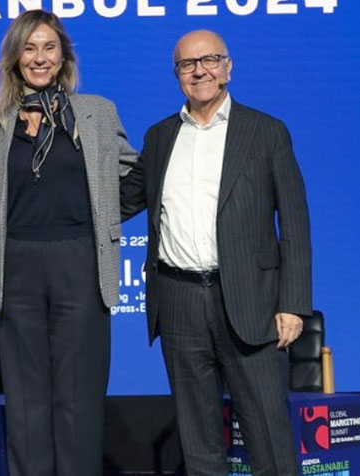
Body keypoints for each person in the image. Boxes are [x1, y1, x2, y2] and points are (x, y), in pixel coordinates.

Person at [120, 30, 311, 476]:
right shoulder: (160, 137)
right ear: (177, 75)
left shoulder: (266, 131)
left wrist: (293, 303)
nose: (199, 71)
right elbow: (122, 200)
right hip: (179, 300)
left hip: (250, 301)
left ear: (228, 67)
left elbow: (296, 223)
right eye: (187, 64)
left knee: (269, 436)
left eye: (209, 60)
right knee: (198, 440)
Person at [0, 10, 137, 476]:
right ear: (14, 58)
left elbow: (133, 175)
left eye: (49, 47)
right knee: (26, 401)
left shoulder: (97, 112)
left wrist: (103, 217)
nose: (40, 58)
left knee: (78, 398)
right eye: (29, 48)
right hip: (17, 265)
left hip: (79, 261)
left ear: (64, 56)